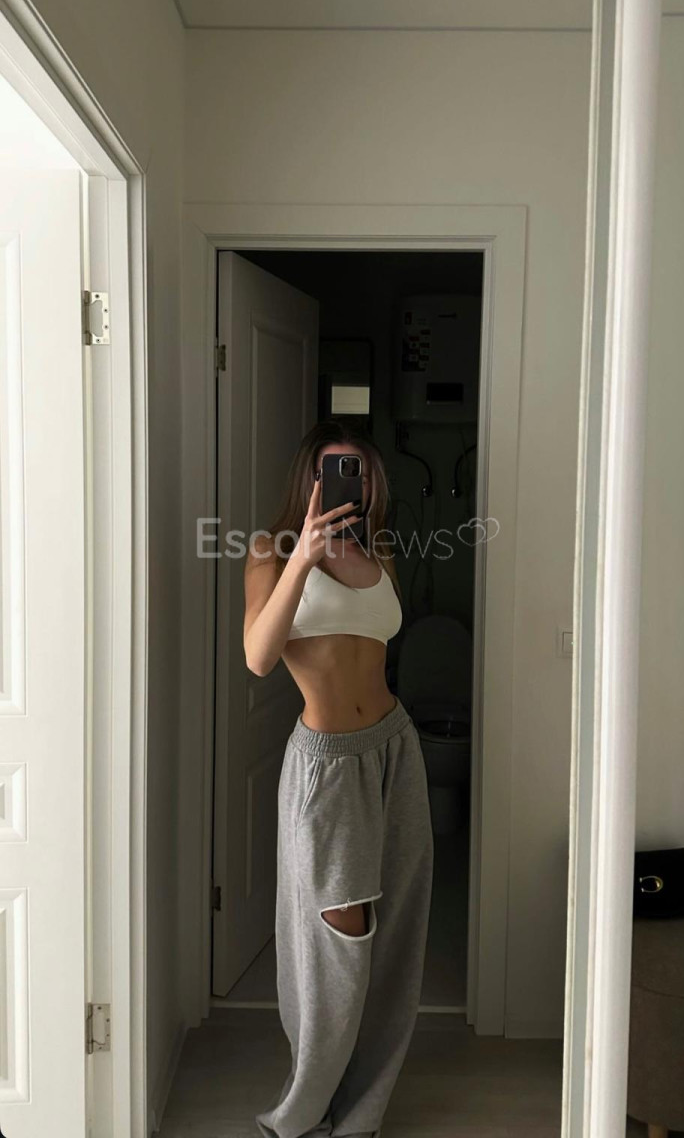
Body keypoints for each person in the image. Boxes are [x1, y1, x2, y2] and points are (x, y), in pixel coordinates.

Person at [244, 420, 434, 1138]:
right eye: (335, 469)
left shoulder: (380, 549)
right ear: (310, 479)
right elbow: (259, 656)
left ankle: (362, 1112)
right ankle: (303, 1109)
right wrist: (303, 559)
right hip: (327, 762)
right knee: (337, 942)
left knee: (396, 934)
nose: (353, 481)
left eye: (362, 470)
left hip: (395, 749)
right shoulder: (269, 551)